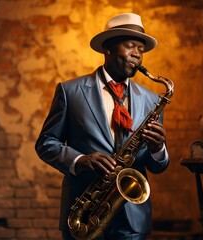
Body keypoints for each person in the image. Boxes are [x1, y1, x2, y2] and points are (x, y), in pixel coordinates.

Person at [35, 13, 169, 240]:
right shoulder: (70, 91)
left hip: (132, 218)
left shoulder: (151, 101)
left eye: (141, 49)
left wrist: (158, 149)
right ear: (108, 48)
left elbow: (157, 167)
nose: (137, 54)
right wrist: (81, 160)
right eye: (130, 46)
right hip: (84, 213)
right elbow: (46, 144)